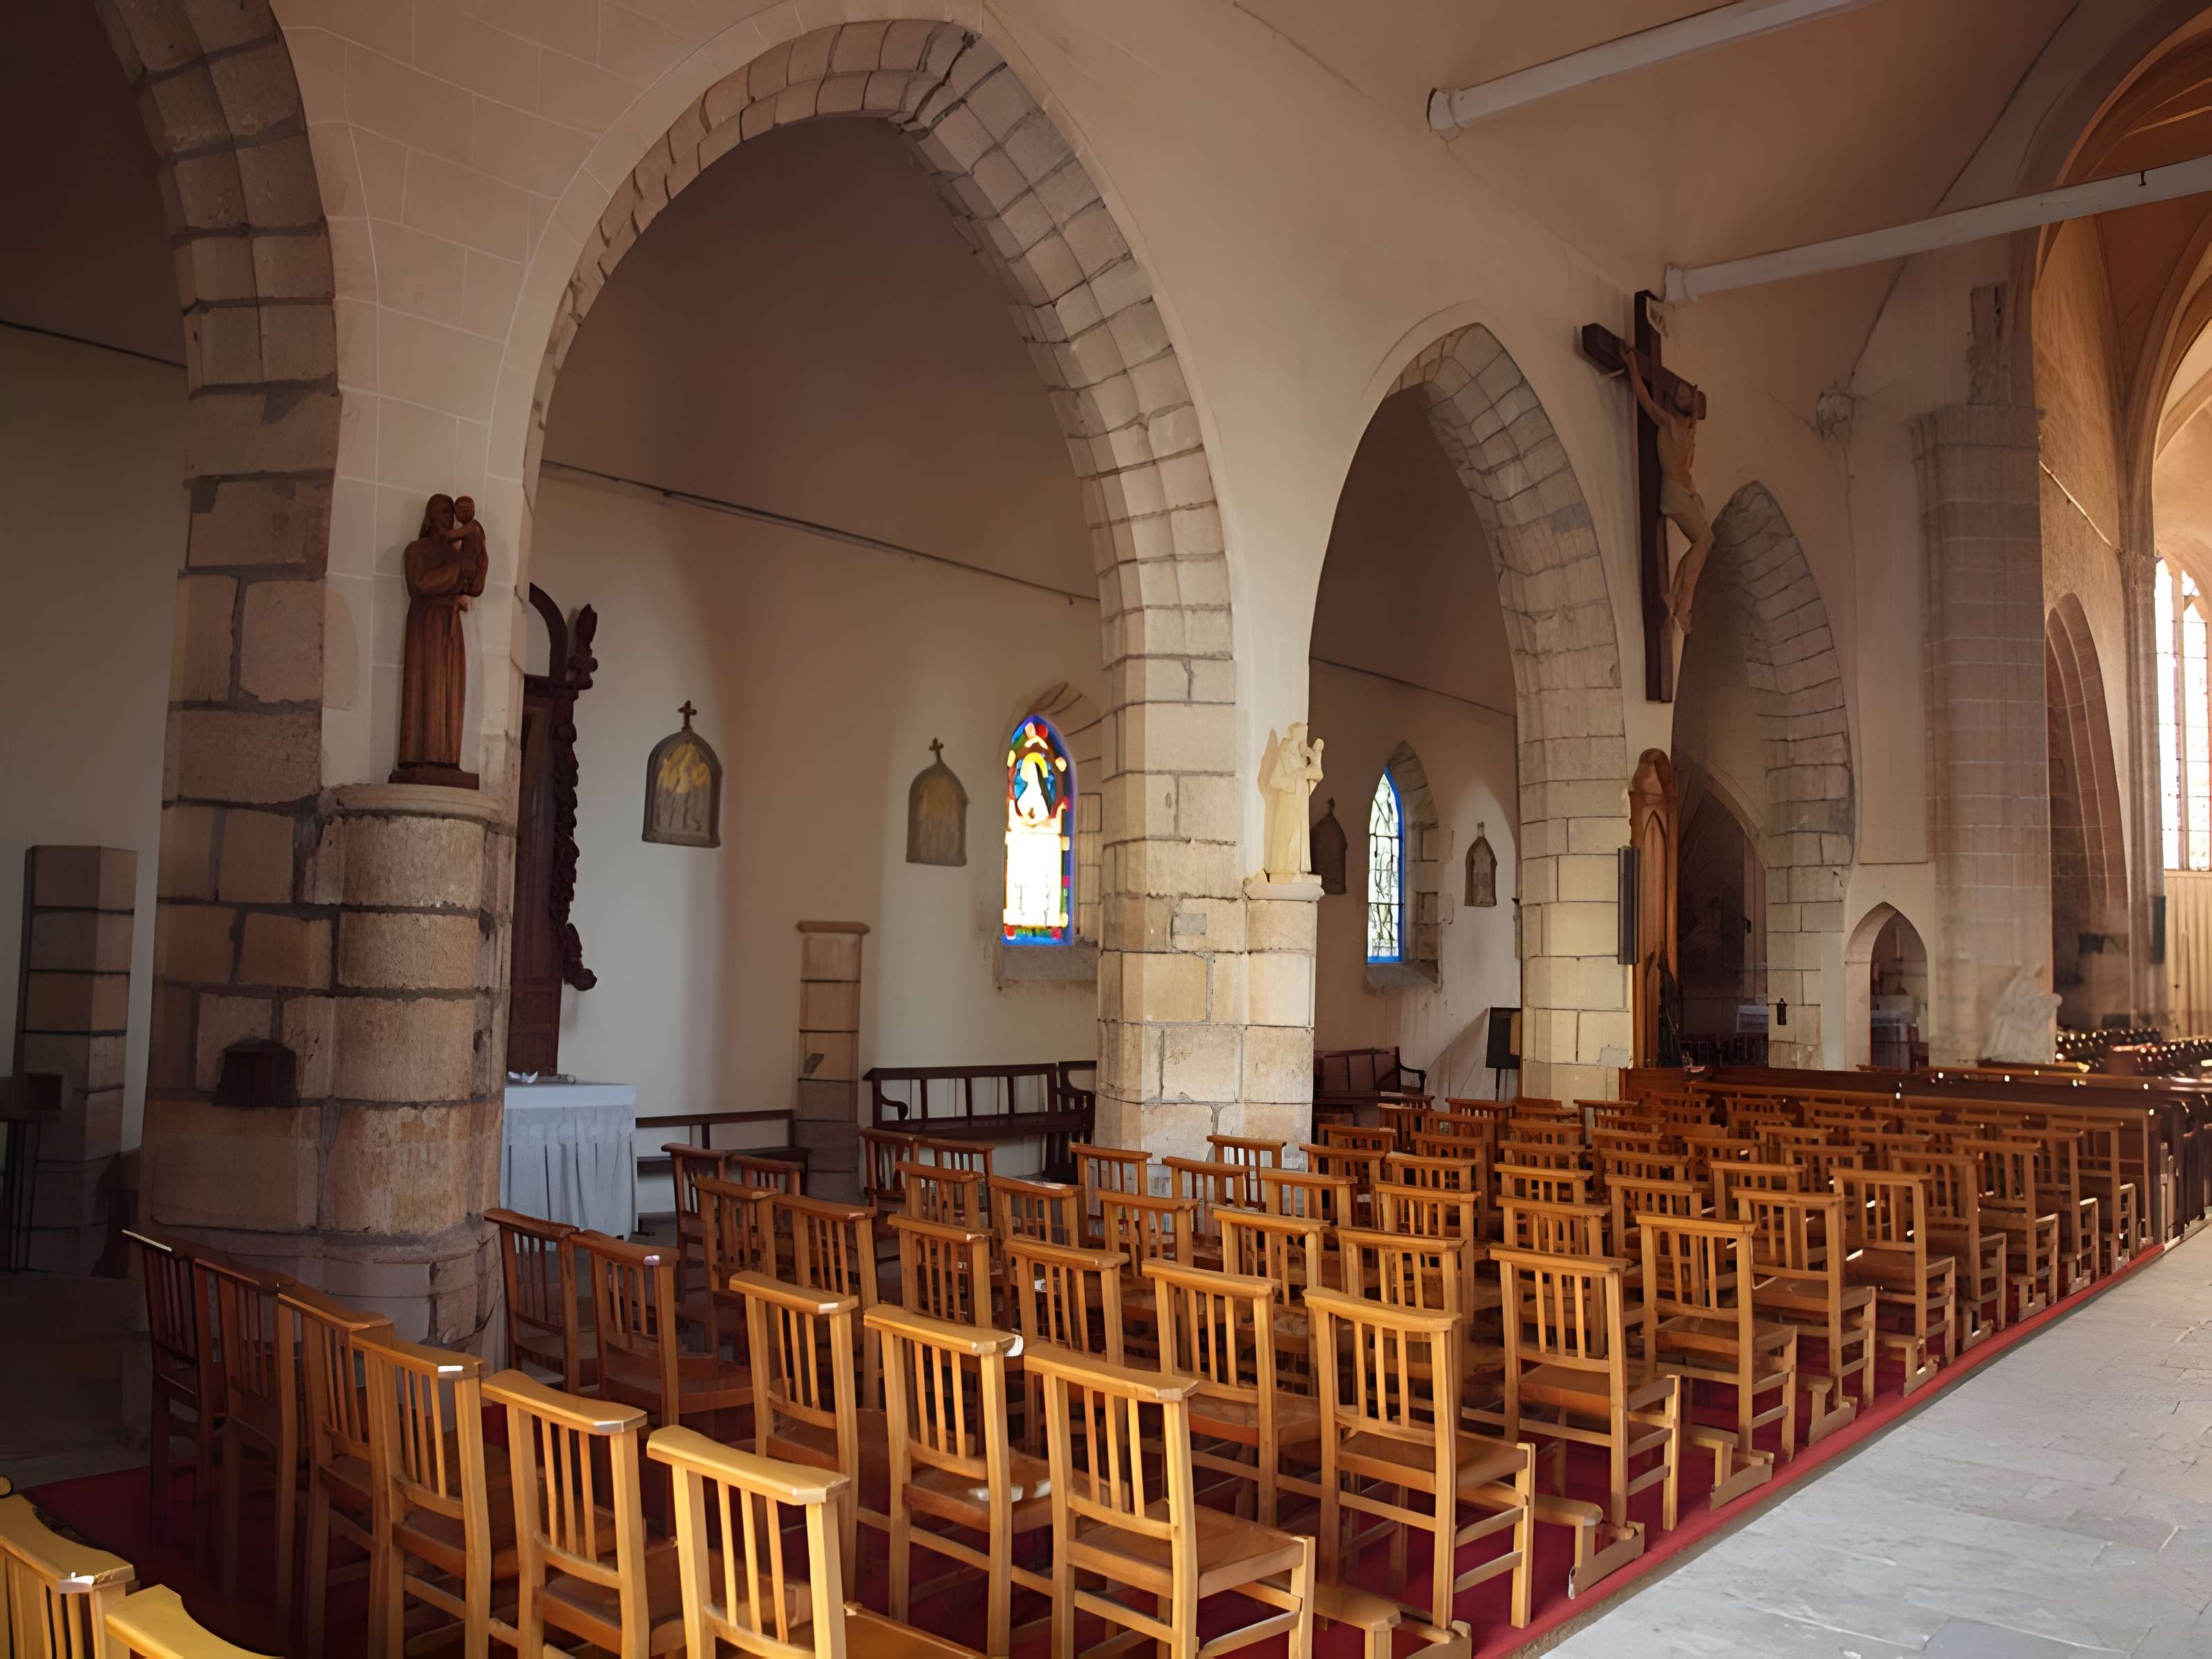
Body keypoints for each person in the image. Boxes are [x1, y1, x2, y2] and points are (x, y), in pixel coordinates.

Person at [395, 494, 490, 776]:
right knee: (427, 683)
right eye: (443, 512)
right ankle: (420, 755)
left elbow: (474, 586)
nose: (449, 519)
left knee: (451, 687)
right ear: (431, 516)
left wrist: (479, 551)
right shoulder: (417, 550)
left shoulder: (457, 553)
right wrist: (457, 569)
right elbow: (420, 583)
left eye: (451, 513)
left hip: (450, 624)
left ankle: (448, 757)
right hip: (428, 623)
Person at [1622, 349, 1714, 636]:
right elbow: (1644, 399)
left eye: (1688, 397)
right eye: (1682, 397)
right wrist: (1632, 366)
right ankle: (1683, 604)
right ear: (1676, 402)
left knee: (1702, 542)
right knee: (1705, 539)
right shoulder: (1669, 424)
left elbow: (1694, 421)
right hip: (1674, 493)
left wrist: (1695, 406)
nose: (1685, 400)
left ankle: (1675, 599)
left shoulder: (1689, 430)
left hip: (1687, 492)